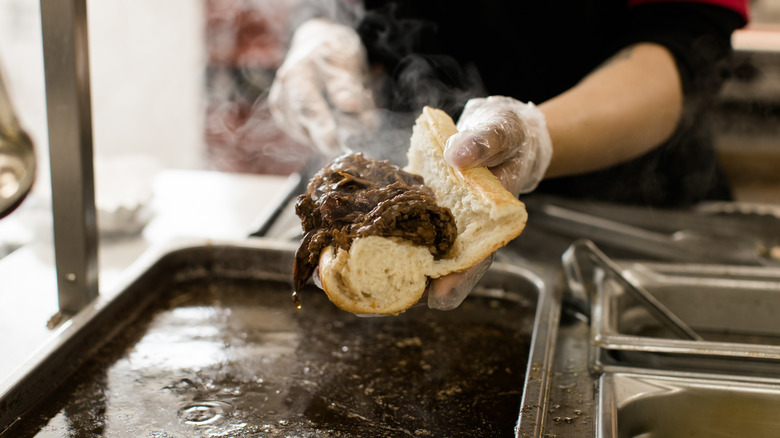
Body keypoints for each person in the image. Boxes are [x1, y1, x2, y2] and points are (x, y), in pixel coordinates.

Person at [268, 0, 749, 310]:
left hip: (626, 206)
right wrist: (321, 28)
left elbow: (687, 40)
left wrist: (537, 136)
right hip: (398, 157)